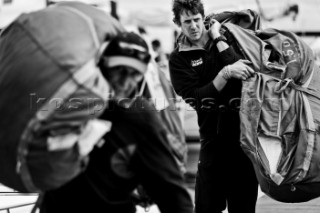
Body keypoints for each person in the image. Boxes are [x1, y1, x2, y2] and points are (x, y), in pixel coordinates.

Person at [39, 32, 194, 213]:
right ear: (103, 66)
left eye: (134, 74)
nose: (125, 81)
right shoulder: (71, 104)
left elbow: (172, 194)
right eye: (119, 70)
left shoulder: (140, 117)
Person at [169, 1, 258, 213]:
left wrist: (218, 37)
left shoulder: (228, 39)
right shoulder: (179, 58)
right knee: (206, 208)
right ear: (177, 23)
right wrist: (225, 73)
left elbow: (248, 75)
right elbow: (198, 100)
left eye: (196, 20)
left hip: (244, 141)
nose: (193, 26)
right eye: (187, 22)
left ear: (204, 18)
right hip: (212, 143)